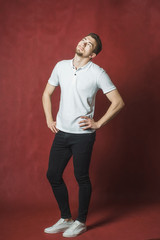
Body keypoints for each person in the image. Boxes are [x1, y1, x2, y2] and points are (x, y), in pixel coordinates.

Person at [42, 33, 125, 238]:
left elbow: (118, 102)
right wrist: (49, 119)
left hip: (83, 136)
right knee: (53, 175)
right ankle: (66, 218)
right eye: (84, 39)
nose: (84, 42)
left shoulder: (98, 73)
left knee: (81, 177)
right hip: (62, 133)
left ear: (93, 54)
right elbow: (47, 93)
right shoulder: (61, 66)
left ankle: (80, 222)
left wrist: (97, 123)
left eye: (90, 44)